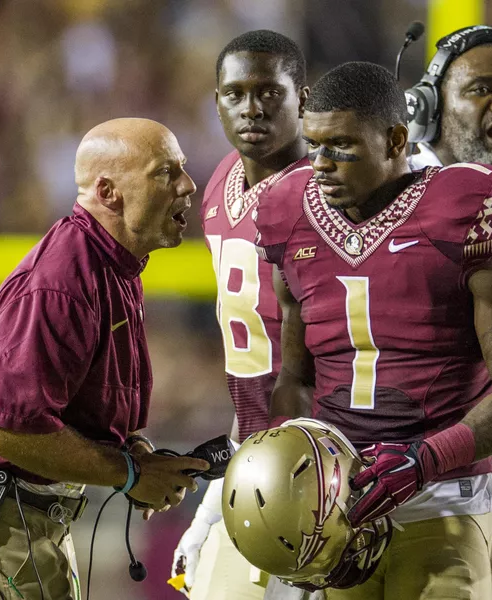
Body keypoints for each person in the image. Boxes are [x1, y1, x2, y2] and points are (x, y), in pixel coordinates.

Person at [243, 61, 492, 599]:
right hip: (339, 514)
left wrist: (425, 461)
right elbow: (296, 377)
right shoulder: (286, 210)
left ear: (396, 138)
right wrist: (293, 477)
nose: (322, 164)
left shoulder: (467, 203)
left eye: (342, 146)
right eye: (314, 146)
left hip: (444, 500)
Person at [0, 118, 209, 600]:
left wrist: (133, 452)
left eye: (183, 169)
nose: (187, 185)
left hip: (28, 525)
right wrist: (129, 474)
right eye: (165, 172)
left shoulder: (112, 264)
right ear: (109, 192)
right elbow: (4, 428)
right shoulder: (63, 281)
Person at [169, 30, 312, 600]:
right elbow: (249, 358)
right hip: (253, 456)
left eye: (269, 93)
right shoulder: (218, 183)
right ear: (217, 101)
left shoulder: (328, 189)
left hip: (320, 454)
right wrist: (219, 486)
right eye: (235, 93)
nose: (251, 108)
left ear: (303, 96)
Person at [406, 25, 492, 600]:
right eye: (481, 88)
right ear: (429, 112)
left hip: (488, 482)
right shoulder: (395, 187)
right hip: (401, 493)